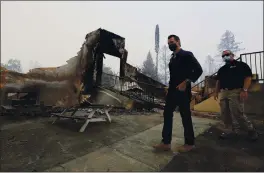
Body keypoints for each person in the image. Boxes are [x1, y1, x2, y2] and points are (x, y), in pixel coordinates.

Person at [153, 35, 203, 152]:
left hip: (183, 91)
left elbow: (198, 70)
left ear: (178, 42)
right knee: (167, 114)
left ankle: (189, 143)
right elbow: (173, 75)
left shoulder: (186, 55)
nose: (170, 44)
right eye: (169, 43)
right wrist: (169, 88)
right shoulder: (172, 58)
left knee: (185, 116)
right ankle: (166, 143)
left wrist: (186, 82)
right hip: (172, 91)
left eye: (172, 42)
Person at [214, 50, 258, 141]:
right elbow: (218, 81)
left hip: (236, 91)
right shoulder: (222, 69)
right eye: (223, 56)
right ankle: (228, 131)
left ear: (232, 55)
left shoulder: (242, 66)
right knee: (225, 113)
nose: (225, 57)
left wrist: (244, 90)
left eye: (227, 55)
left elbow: (248, 78)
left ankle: (251, 130)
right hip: (224, 92)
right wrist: (216, 92)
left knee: (237, 112)